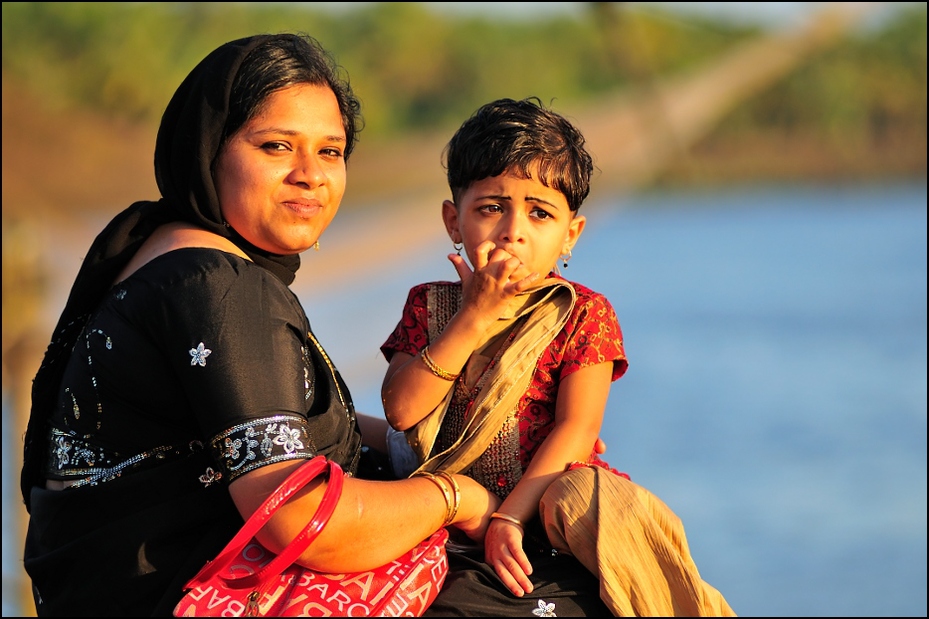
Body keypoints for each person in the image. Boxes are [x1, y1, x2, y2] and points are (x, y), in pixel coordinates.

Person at [18, 32, 504, 617]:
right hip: (182, 594)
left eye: (331, 151)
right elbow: (295, 515)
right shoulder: (218, 286)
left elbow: (290, 431)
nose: (311, 175)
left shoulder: (158, 250)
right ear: (208, 148)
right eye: (276, 146)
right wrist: (456, 496)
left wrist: (486, 444)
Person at [380, 97, 736, 616]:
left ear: (571, 233)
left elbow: (576, 429)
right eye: (490, 207)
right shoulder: (431, 304)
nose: (513, 230)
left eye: (540, 212)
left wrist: (509, 519)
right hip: (445, 507)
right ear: (453, 221)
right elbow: (401, 411)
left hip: (541, 510)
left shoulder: (583, 314)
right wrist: (473, 317)